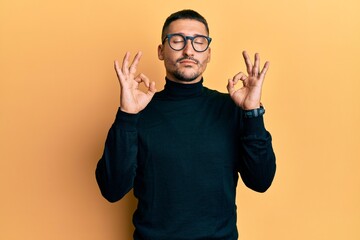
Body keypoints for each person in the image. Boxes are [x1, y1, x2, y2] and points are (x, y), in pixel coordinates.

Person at [96, 9, 276, 240]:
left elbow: (261, 181)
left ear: (208, 53)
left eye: (198, 42)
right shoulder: (139, 111)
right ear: (161, 51)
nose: (189, 50)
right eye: (177, 41)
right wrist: (127, 115)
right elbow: (112, 189)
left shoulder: (233, 109)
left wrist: (253, 112)